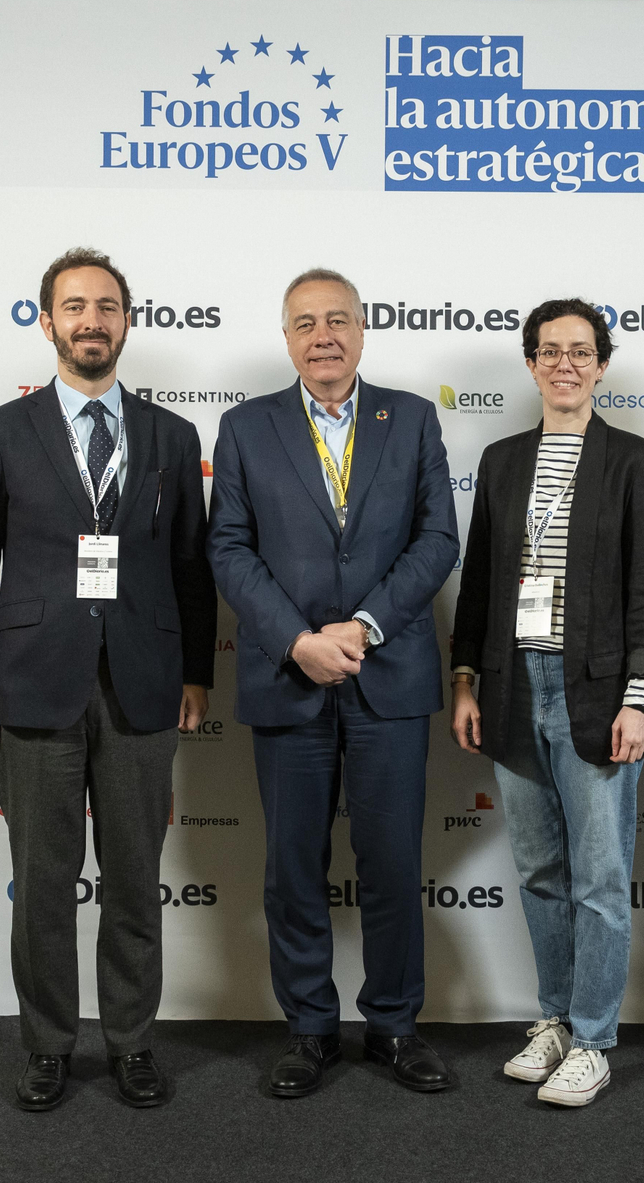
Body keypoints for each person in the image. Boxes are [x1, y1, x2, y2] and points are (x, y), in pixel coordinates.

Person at [0, 246, 217, 1113]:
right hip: (31, 681)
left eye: (106, 306)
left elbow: (191, 568)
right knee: (43, 882)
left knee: (135, 877)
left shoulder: (172, 436)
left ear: (127, 322)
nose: (91, 321)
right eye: (75, 306)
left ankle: (132, 1042)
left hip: (144, 681)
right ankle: (48, 1044)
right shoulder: (1, 430)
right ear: (47, 322)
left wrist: (197, 672)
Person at [207, 268, 459, 1098]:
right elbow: (228, 547)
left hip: (389, 674)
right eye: (306, 322)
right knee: (292, 867)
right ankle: (310, 1027)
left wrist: (364, 625)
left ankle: (394, 1025)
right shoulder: (245, 427)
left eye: (338, 320)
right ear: (286, 338)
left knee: (391, 861)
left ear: (362, 329)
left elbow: (438, 538)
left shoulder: (411, 418)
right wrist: (297, 640)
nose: (324, 336)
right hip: (290, 678)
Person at [450, 299, 644, 1108]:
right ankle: (554, 1019)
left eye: (581, 351)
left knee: (600, 877)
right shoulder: (503, 460)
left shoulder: (634, 460)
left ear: (602, 364)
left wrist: (640, 697)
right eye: (550, 351)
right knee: (541, 871)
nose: (565, 364)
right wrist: (465, 678)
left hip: (598, 697)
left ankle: (595, 1038)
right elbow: (478, 581)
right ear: (532, 363)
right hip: (513, 689)